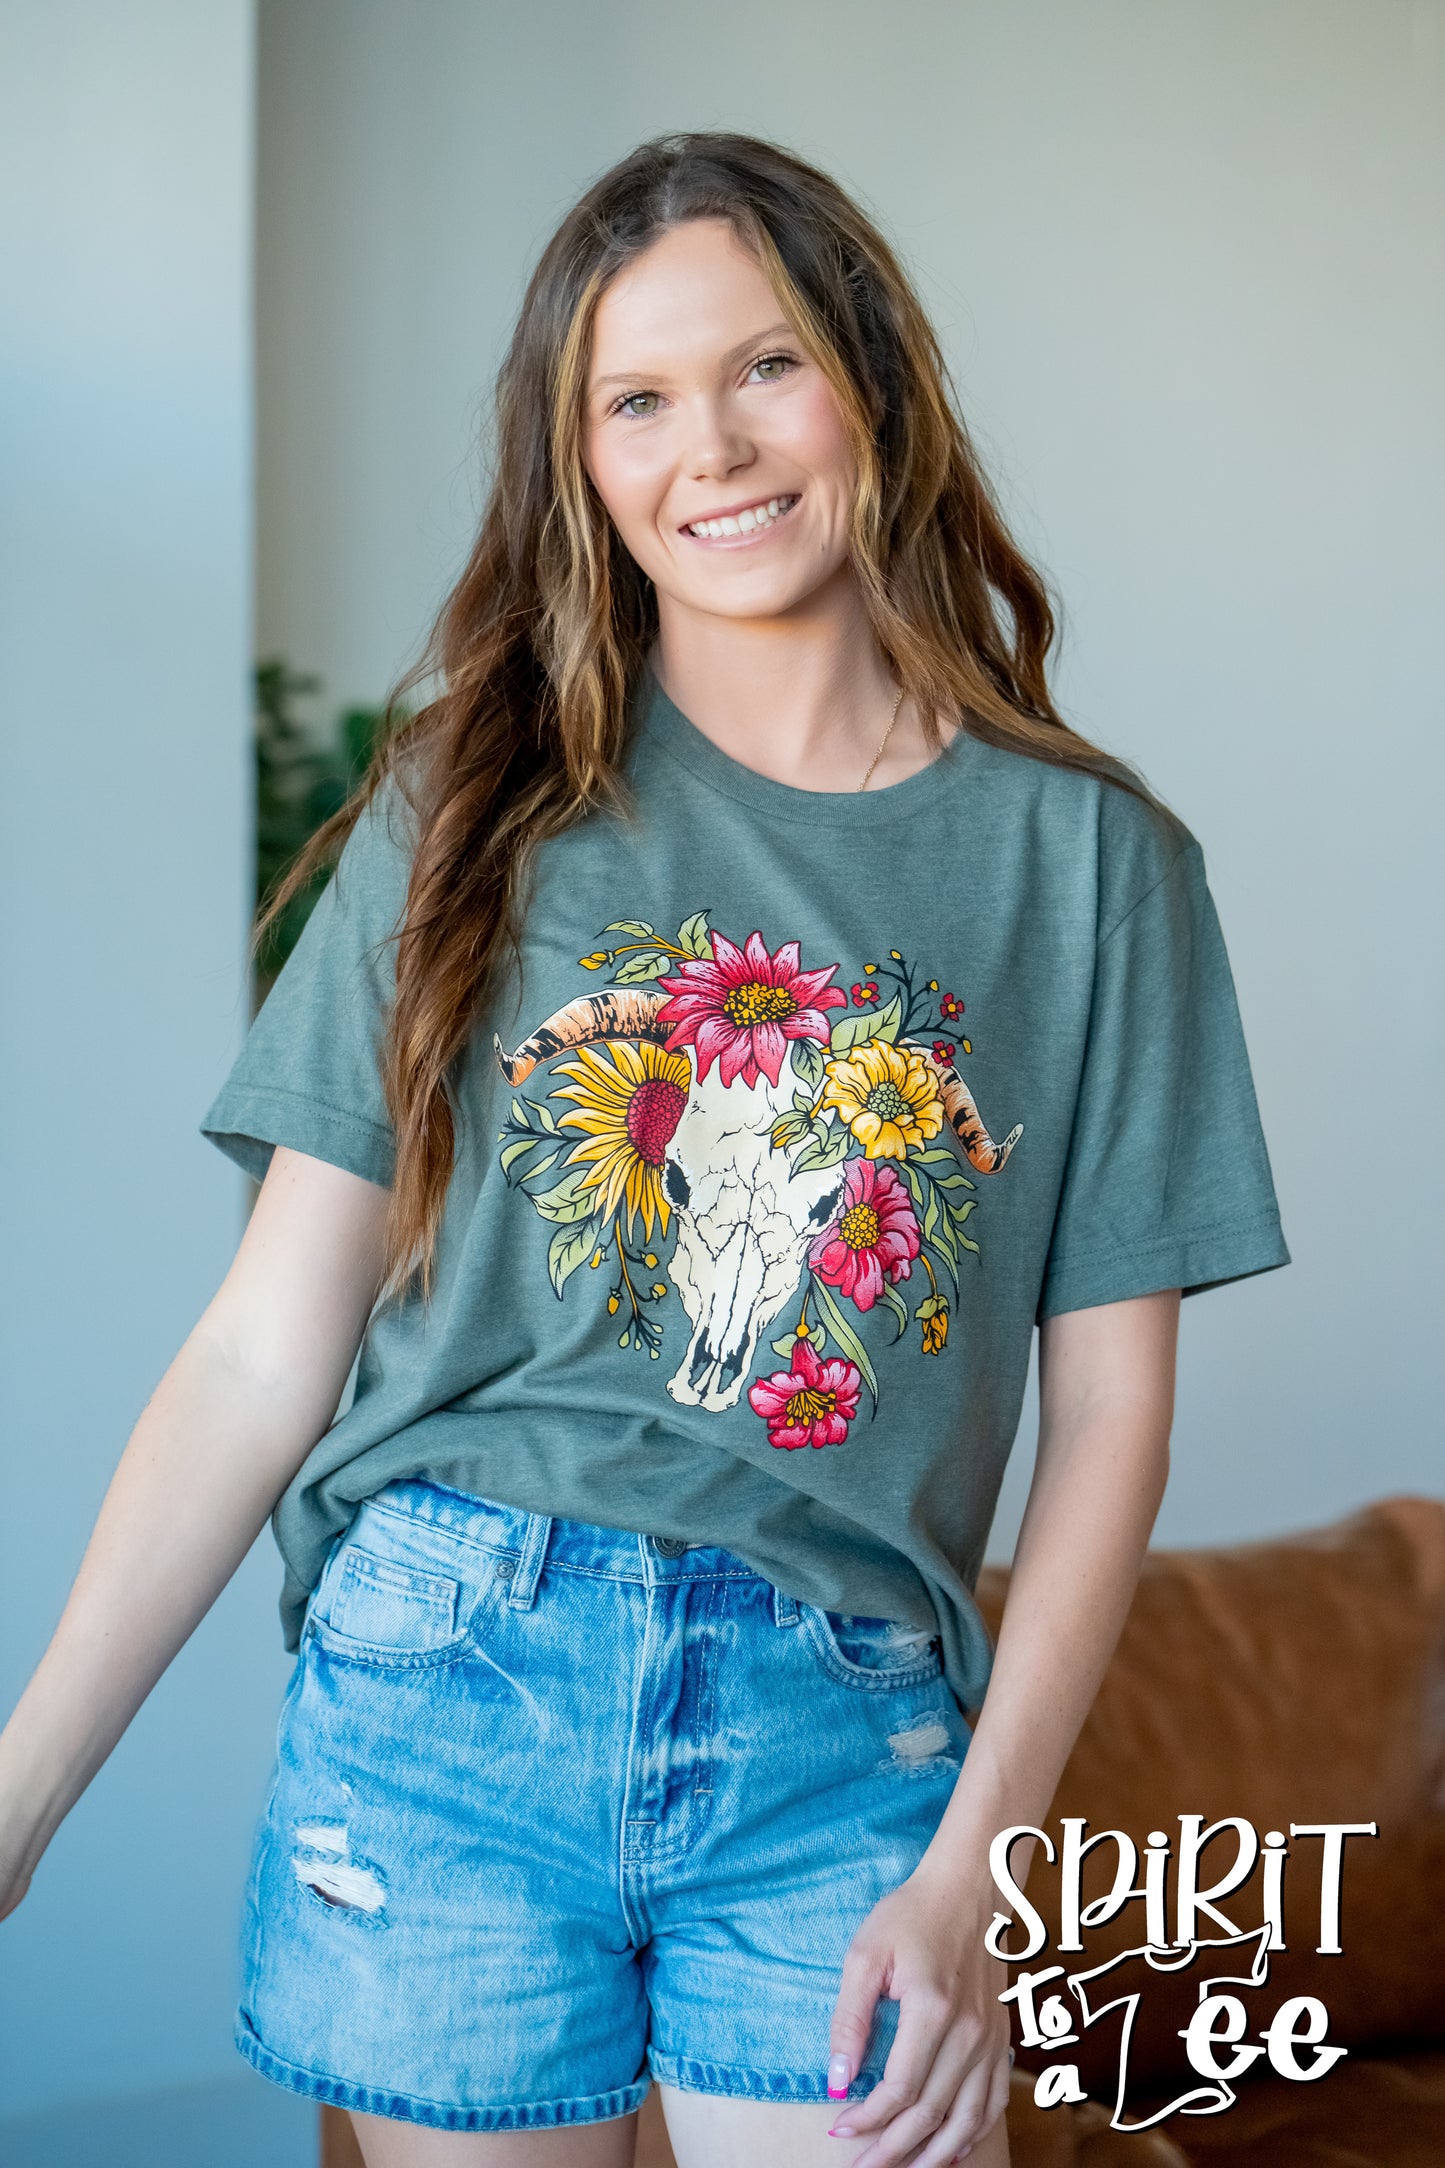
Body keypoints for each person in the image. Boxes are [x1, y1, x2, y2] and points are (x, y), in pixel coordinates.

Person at [0, 132, 1290, 2168]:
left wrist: (977, 1873)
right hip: (445, 1682)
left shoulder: (1095, 866)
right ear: (582, 462)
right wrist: (19, 1796)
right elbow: (265, 1350)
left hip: (843, 1728)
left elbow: (1111, 1414)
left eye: (767, 366)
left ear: (873, 381)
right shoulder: (467, 809)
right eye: (639, 399)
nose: (717, 445)